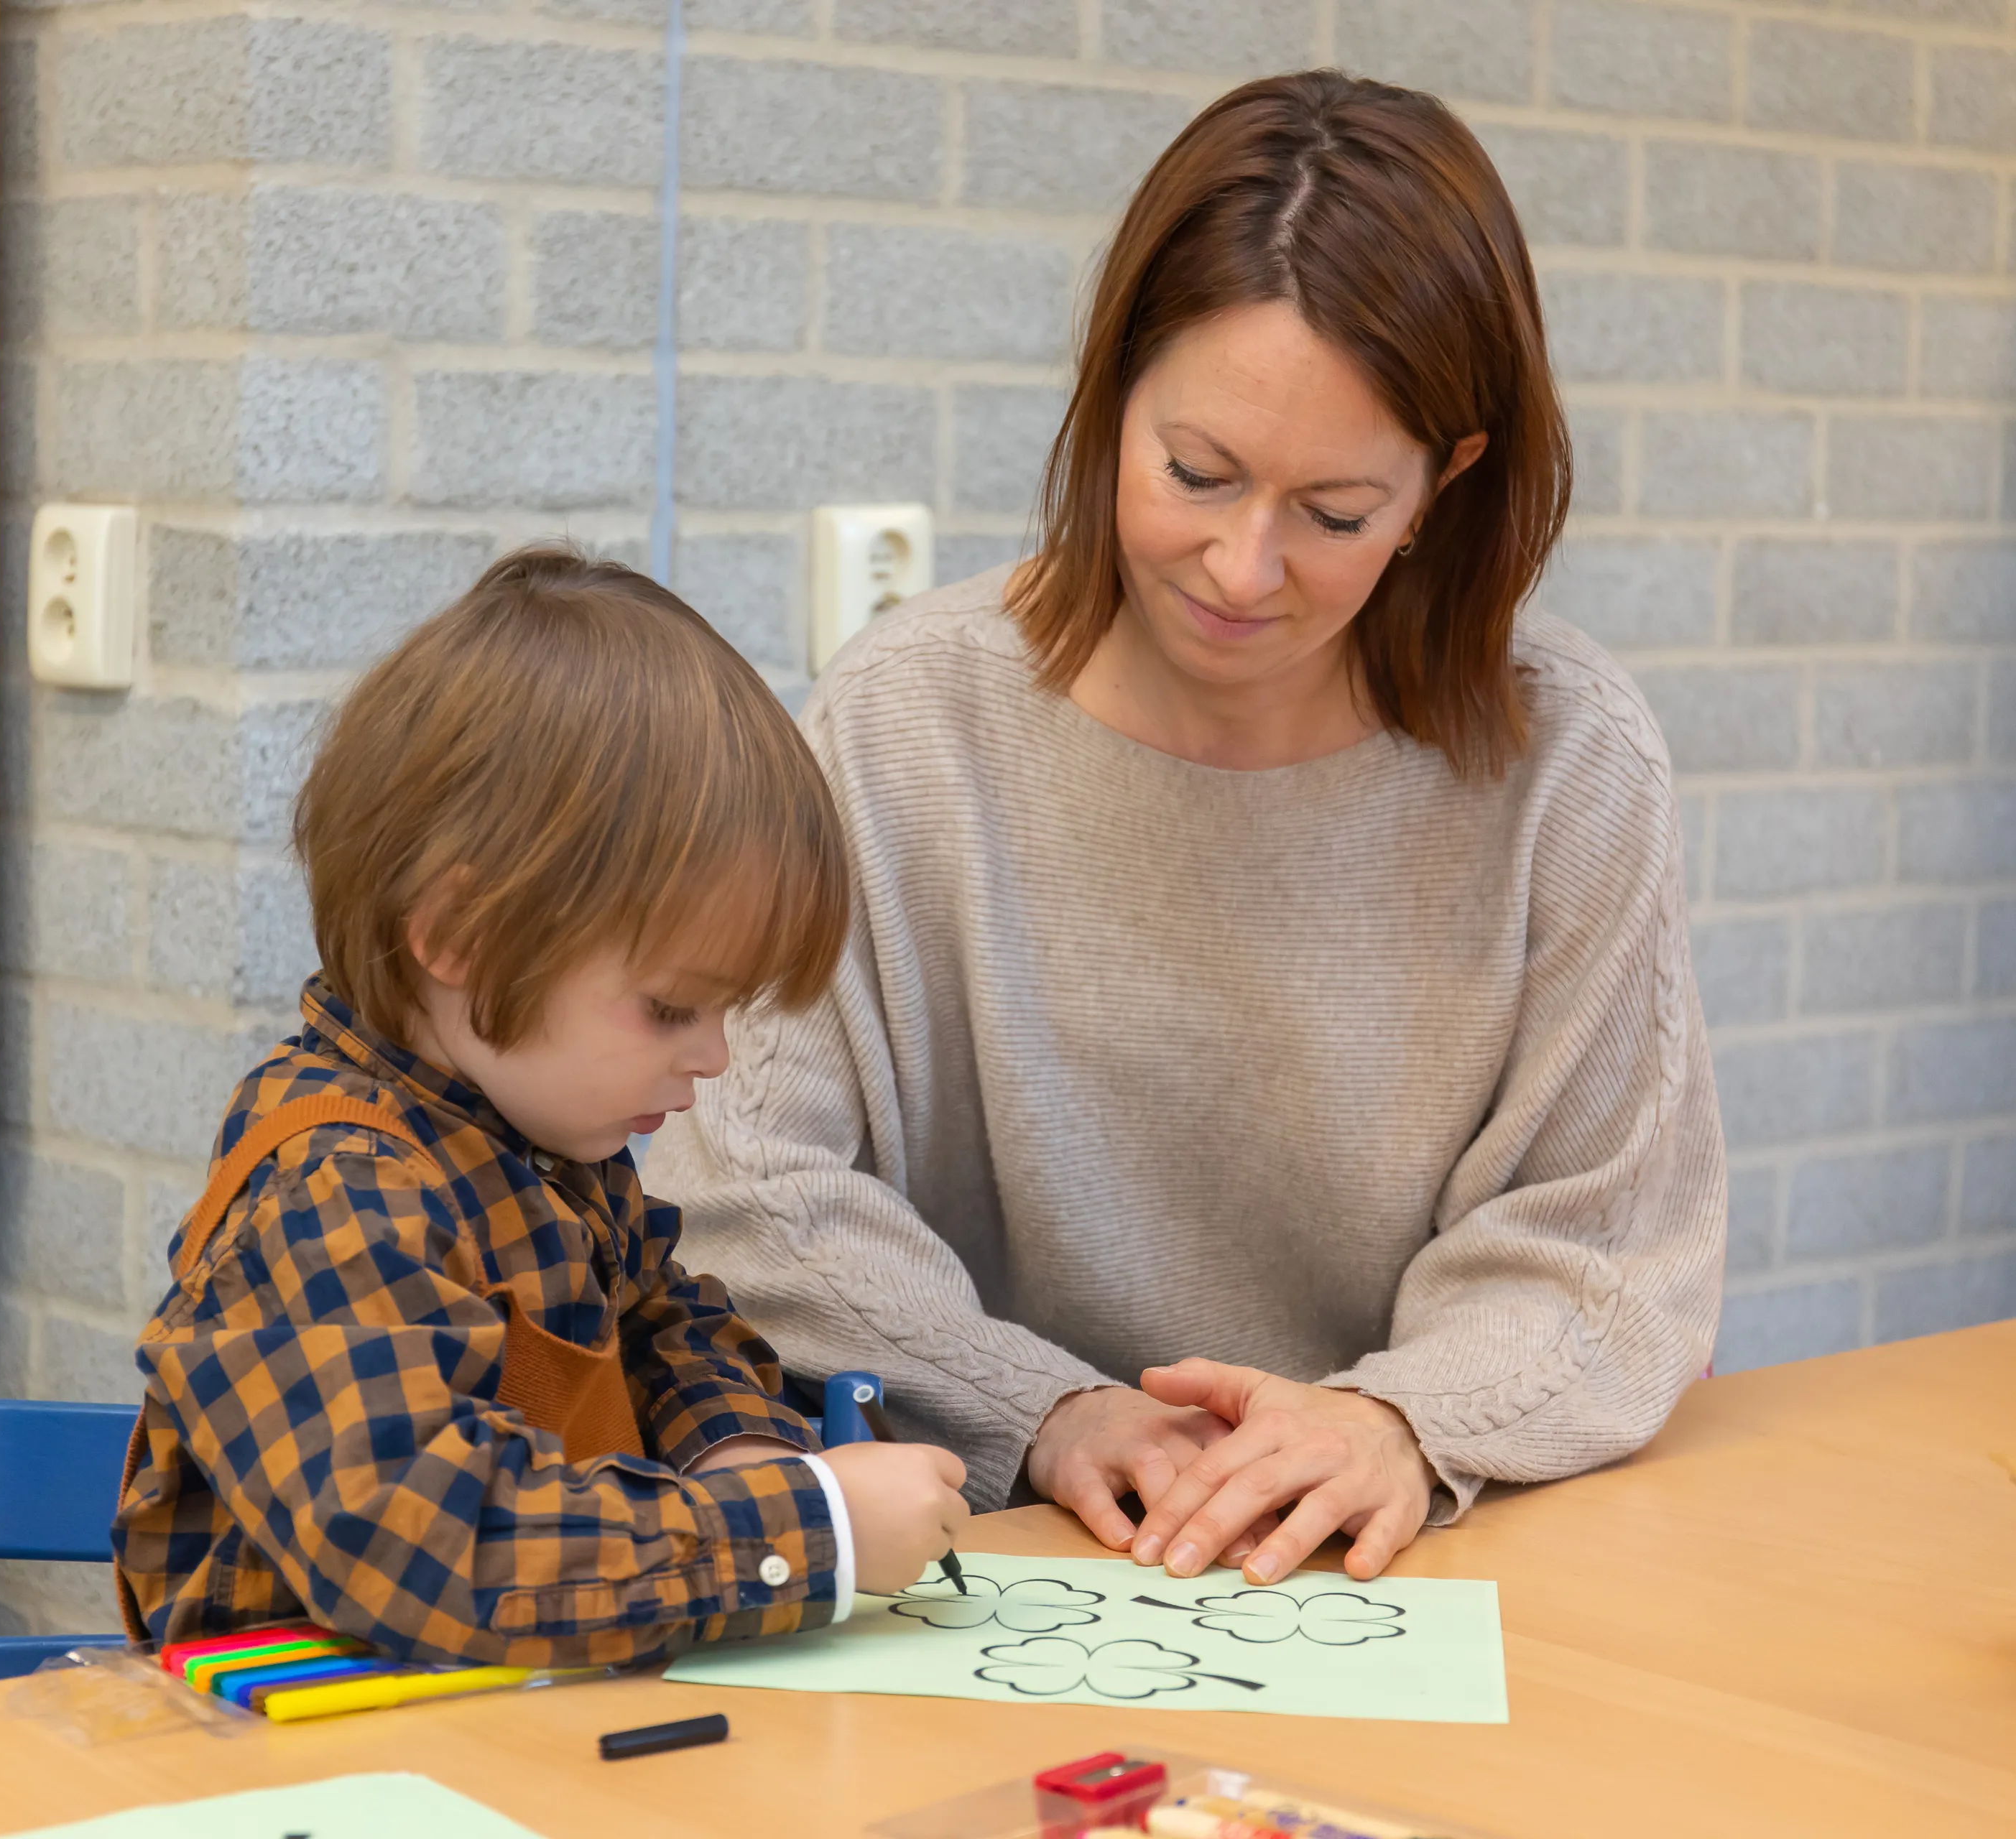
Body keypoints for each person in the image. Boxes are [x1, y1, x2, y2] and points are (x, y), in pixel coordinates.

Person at [648, 70, 1726, 1592]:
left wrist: (1397, 1420)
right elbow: (742, 1186)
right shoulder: (904, 721)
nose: (1241, 566)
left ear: (1444, 485)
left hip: (1396, 1565)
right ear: (1111, 402)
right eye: (1195, 474)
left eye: (1334, 513)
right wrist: (1044, 1406)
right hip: (998, 1546)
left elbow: (1610, 1243)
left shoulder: (1570, 759)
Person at [111, 545, 969, 1667]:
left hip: (506, 1719)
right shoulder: (332, 1191)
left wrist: (738, 1456)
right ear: (462, 936)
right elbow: (434, 1551)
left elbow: (663, 1325)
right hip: (300, 1744)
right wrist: (804, 1532)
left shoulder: (547, 1145)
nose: (713, 1058)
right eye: (670, 1008)